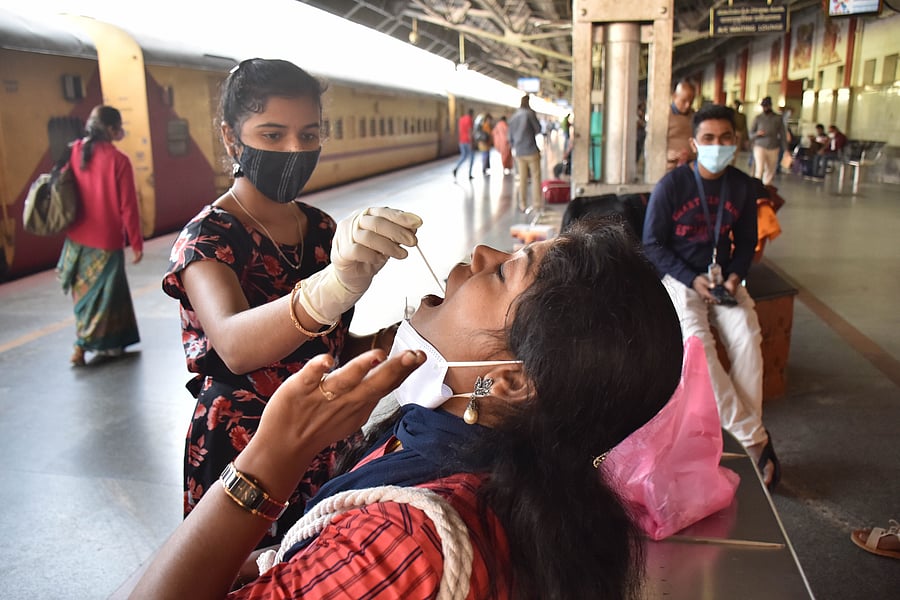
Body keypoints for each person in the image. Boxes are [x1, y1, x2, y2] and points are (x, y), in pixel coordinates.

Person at [130, 218, 685, 599]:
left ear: (511, 384)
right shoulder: (504, 477)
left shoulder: (407, 540)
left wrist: (269, 461)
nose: (479, 255)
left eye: (502, 272)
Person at [161, 58, 421, 549]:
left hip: (323, 433)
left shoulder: (322, 229)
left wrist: (391, 339)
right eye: (273, 134)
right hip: (246, 447)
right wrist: (330, 288)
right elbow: (236, 346)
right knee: (248, 572)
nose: (295, 149)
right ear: (232, 138)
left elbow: (329, 346)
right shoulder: (208, 237)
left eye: (309, 134)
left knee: (315, 562)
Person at [642, 103, 780, 490]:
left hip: (724, 280)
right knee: (698, 348)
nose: (717, 145)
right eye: (709, 139)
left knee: (748, 336)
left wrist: (736, 276)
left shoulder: (741, 184)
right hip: (683, 279)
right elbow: (652, 244)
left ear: (736, 142)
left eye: (725, 138)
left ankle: (740, 438)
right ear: (694, 142)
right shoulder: (672, 187)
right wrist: (692, 278)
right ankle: (754, 440)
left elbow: (748, 241)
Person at [59, 105, 143, 367]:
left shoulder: (75, 151)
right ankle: (81, 346)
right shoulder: (119, 160)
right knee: (103, 299)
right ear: (109, 129)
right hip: (106, 242)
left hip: (76, 239)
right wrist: (136, 243)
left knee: (84, 298)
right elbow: (128, 207)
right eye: (118, 126)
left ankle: (101, 344)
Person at [508, 94, 543, 214]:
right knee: (535, 177)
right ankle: (537, 204)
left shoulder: (513, 117)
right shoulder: (530, 113)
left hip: (519, 152)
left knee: (522, 179)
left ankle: (522, 204)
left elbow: (510, 137)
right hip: (531, 151)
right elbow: (538, 129)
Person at [749, 96, 786, 186]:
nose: (765, 108)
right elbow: (750, 134)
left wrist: (786, 149)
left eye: (767, 106)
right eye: (764, 106)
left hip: (773, 146)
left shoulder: (778, 118)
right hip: (760, 145)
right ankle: (757, 187)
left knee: (770, 169)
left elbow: (782, 134)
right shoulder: (758, 118)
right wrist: (757, 134)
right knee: (759, 168)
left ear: (770, 106)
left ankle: (767, 187)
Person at [666, 79, 696, 172]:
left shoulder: (695, 117)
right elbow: (653, 143)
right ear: (674, 96)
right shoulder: (664, 116)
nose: (687, 105)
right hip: (670, 167)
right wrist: (666, 154)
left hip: (691, 166)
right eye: (684, 101)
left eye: (691, 102)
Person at [452, 108, 475, 180]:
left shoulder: (461, 119)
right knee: (471, 157)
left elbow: (460, 130)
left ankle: (456, 168)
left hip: (461, 141)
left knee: (463, 156)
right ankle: (470, 174)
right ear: (472, 114)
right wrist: (471, 142)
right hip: (468, 141)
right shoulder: (470, 119)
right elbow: (470, 131)